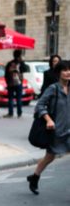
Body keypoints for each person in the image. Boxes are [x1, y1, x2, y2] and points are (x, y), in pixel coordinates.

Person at [27, 60, 70, 195]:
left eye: (69, 69)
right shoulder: (53, 88)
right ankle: (35, 177)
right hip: (56, 131)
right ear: (58, 73)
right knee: (49, 157)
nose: (68, 72)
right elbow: (39, 105)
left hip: (69, 131)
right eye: (64, 70)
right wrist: (48, 119)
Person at [4, 50, 28, 118]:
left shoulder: (10, 63)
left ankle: (10, 113)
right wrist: (22, 62)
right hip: (19, 83)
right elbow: (25, 70)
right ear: (20, 55)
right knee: (19, 98)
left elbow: (6, 74)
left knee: (11, 98)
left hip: (10, 83)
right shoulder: (21, 63)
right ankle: (19, 113)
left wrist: (7, 82)